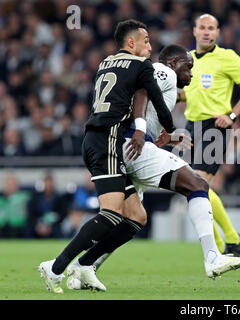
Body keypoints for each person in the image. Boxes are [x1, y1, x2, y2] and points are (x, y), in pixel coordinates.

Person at [65, 45, 240, 291]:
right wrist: (142, 130)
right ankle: (212, 256)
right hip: (134, 145)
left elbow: (141, 100)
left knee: (132, 218)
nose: (191, 74)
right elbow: (142, 91)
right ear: (174, 62)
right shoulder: (164, 71)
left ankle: (84, 268)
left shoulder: (165, 80)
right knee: (197, 184)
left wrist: (163, 136)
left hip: (126, 146)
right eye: (189, 67)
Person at [38, 19, 177, 294]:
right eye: (146, 40)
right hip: (108, 142)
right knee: (112, 213)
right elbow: (158, 103)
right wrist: (171, 131)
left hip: (94, 138)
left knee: (136, 216)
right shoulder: (141, 65)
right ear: (131, 43)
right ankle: (56, 266)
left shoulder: (106, 62)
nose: (150, 46)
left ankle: (87, 265)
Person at [178, 14, 240, 256]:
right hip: (192, 126)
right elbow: (188, 94)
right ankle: (229, 243)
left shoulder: (228, 57)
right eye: (202, 28)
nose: (206, 32)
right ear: (194, 31)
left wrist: (233, 115)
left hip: (215, 127)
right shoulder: (188, 60)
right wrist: (171, 95)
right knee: (193, 189)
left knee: (197, 186)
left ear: (218, 32)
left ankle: (229, 241)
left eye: (211, 28)